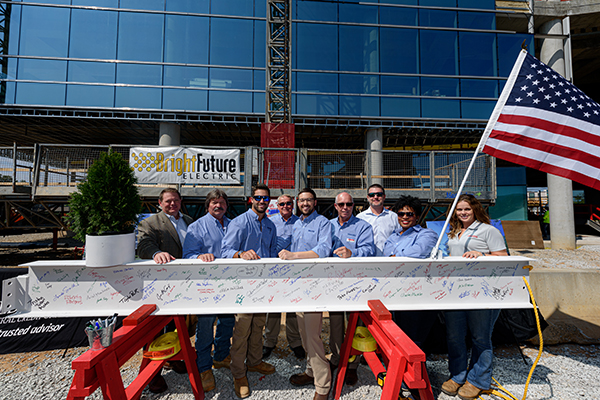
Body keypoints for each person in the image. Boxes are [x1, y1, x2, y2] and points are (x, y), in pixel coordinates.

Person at [441, 194, 508, 400]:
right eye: (459, 210)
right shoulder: (452, 233)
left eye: (467, 209)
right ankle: (458, 375)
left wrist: (483, 255)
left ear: (475, 209)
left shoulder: (488, 231)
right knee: (454, 337)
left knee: (480, 337)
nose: (463, 213)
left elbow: (504, 257)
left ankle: (478, 379)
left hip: (482, 292)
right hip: (455, 291)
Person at [221, 183, 278, 399]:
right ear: (250, 200)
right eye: (258, 198)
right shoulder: (239, 223)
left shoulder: (271, 226)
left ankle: (254, 362)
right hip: (243, 285)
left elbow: (271, 253)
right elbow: (225, 251)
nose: (262, 202)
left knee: (258, 324)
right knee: (242, 329)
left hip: (263, 284)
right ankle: (238, 373)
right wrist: (240, 254)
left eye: (265, 199)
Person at [137, 188, 192, 393]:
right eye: (168, 201)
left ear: (180, 201)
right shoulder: (150, 222)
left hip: (185, 283)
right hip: (160, 286)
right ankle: (153, 375)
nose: (172, 204)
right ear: (159, 203)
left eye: (175, 200)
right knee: (155, 330)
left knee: (179, 326)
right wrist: (156, 252)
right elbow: (143, 245)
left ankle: (174, 359)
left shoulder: (188, 219)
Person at [280, 188, 333, 400]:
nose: (304, 203)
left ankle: (323, 386)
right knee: (304, 333)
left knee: (312, 336)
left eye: (308, 200)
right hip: (297, 285)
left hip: (314, 285)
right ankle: (311, 371)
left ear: (315, 202)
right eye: (301, 200)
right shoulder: (297, 223)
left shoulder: (323, 223)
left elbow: (323, 249)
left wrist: (294, 256)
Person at [182, 189, 234, 393]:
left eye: (222, 202)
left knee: (227, 321)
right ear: (208, 205)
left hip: (229, 283)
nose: (218, 206)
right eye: (214, 202)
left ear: (226, 206)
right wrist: (199, 257)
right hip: (207, 285)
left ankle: (221, 356)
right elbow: (188, 255)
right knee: (205, 325)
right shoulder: (196, 227)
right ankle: (204, 367)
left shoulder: (232, 225)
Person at [329, 192, 375, 386]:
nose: (345, 207)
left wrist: (352, 252)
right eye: (341, 204)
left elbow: (370, 250)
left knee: (355, 324)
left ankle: (353, 365)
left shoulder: (363, 226)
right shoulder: (327, 225)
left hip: (355, 282)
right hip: (333, 281)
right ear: (335, 206)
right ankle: (337, 359)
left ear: (353, 205)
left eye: (348, 204)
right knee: (335, 323)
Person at [263, 195, 306, 360]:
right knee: (272, 307)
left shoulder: (300, 222)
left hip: (294, 270)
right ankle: (269, 342)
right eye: (282, 204)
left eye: (289, 203)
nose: (286, 206)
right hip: (274, 270)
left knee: (293, 307)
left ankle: (295, 342)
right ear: (277, 205)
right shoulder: (270, 221)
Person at [356, 184, 400, 256]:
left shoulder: (394, 217)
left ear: (384, 197)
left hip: (389, 260)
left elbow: (400, 238)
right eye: (372, 195)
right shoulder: (360, 218)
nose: (375, 197)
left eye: (379, 194)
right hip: (367, 260)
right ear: (368, 197)